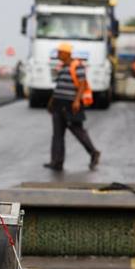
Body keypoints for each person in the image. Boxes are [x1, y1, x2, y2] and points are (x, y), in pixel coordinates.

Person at [44, 43, 100, 172]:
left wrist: (76, 101)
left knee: (78, 131)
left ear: (66, 53)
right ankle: (56, 162)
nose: (58, 54)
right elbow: (58, 86)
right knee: (57, 135)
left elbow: (82, 84)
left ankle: (93, 152)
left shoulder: (77, 66)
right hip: (58, 104)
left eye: (60, 52)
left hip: (70, 105)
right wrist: (51, 101)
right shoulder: (63, 66)